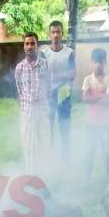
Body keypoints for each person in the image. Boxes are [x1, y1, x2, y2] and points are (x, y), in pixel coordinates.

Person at [13, 32, 50, 172]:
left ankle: (44, 174)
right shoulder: (19, 68)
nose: (30, 46)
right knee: (28, 146)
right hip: (27, 114)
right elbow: (20, 90)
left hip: (42, 112)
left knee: (44, 144)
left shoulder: (45, 65)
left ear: (37, 45)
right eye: (26, 44)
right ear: (23, 47)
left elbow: (49, 87)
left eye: (32, 43)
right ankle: (31, 174)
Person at [42, 20, 76, 157]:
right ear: (49, 35)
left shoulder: (69, 53)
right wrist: (62, 76)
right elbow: (42, 76)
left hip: (64, 95)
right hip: (48, 95)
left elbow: (73, 74)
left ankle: (66, 157)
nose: (56, 35)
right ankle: (49, 155)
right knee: (48, 127)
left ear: (62, 34)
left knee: (64, 127)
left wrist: (54, 76)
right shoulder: (44, 53)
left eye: (58, 32)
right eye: (53, 32)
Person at [81, 48, 109, 181]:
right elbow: (84, 99)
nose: (98, 65)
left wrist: (93, 99)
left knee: (107, 152)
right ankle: (87, 178)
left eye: (100, 62)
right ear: (92, 62)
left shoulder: (108, 79)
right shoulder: (87, 79)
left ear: (105, 62)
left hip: (105, 123)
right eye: (95, 62)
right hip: (91, 123)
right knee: (90, 151)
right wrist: (102, 97)